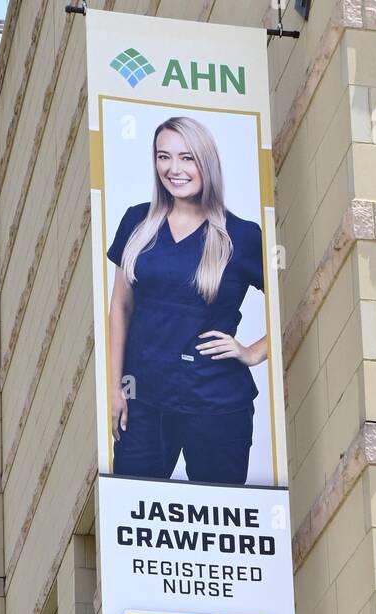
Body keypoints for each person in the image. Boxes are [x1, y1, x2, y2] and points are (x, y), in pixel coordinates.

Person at [108, 115, 267, 487]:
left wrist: (253, 352)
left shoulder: (242, 236)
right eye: (164, 157)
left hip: (216, 405)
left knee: (217, 527)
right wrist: (115, 388)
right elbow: (121, 309)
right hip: (143, 402)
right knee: (134, 519)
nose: (173, 169)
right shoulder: (137, 222)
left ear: (206, 162)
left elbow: (294, 302)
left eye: (187, 158)